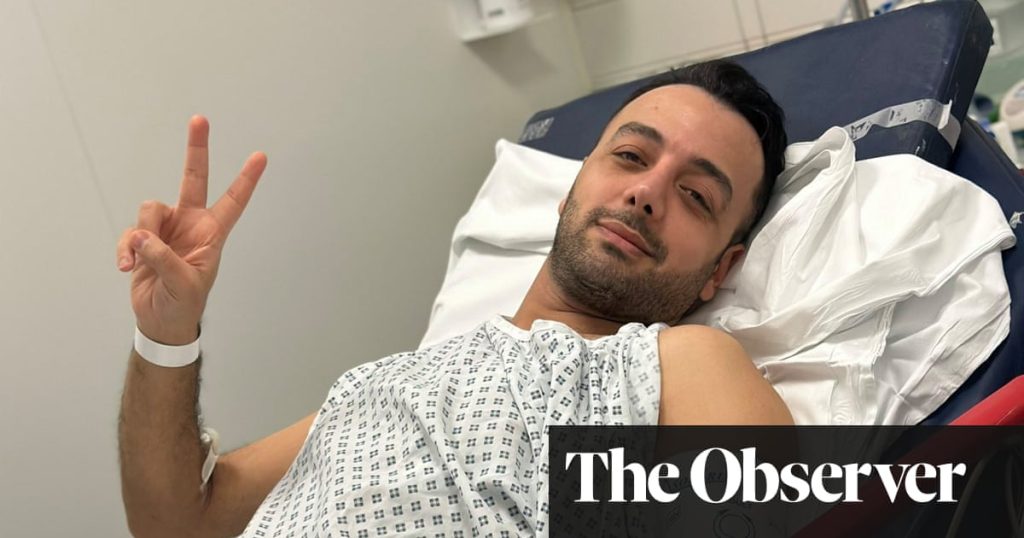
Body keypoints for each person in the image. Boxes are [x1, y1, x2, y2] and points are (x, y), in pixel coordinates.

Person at [117, 60, 793, 538]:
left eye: (695, 195)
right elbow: (176, 522)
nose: (647, 192)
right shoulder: (379, 385)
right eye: (630, 157)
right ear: (570, 190)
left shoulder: (683, 364)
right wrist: (166, 335)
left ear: (721, 269)